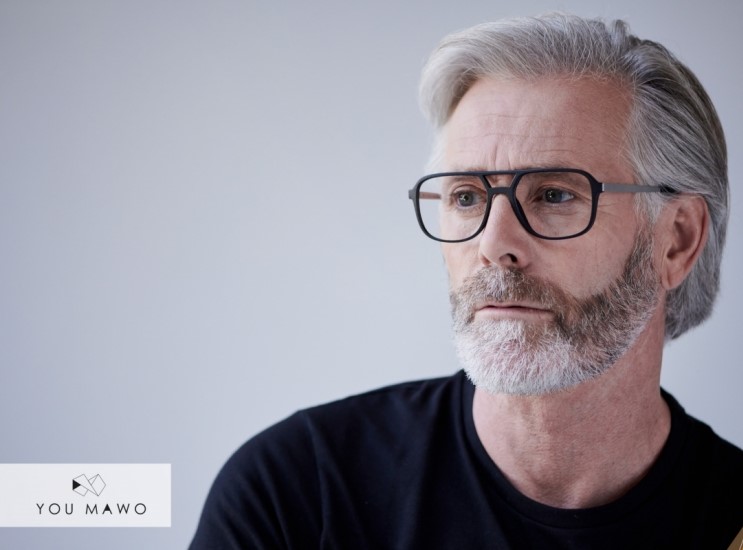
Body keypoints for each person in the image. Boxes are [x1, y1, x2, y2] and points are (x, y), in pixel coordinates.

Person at [190, 13, 743, 549]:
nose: (493, 243)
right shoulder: (295, 495)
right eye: (466, 197)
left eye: (554, 195)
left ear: (676, 240)